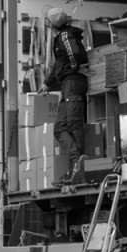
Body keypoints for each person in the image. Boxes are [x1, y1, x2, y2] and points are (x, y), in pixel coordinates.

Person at [45, 10, 88, 186]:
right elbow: (59, 63)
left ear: (53, 23)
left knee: (73, 125)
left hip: (73, 83)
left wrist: (72, 68)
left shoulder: (64, 37)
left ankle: (77, 166)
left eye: (48, 20)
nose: (46, 23)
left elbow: (74, 54)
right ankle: (75, 164)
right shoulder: (62, 37)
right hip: (68, 84)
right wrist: (48, 82)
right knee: (60, 128)